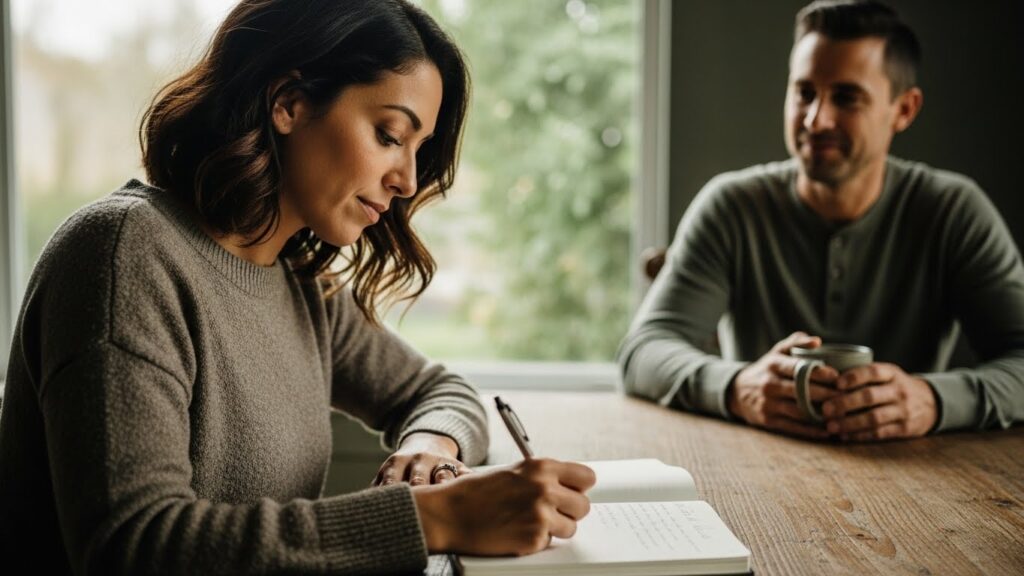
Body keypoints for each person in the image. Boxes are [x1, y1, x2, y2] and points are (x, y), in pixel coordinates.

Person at [0, 1, 595, 574]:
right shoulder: (123, 253)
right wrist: (427, 518)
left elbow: (439, 392)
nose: (408, 180)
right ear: (289, 104)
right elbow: (135, 546)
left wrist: (431, 451)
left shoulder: (299, 282)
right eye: (390, 135)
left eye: (420, 150)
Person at [618, 0, 1024, 442]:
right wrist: (737, 388)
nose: (817, 118)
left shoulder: (954, 211)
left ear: (904, 110)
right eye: (804, 92)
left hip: (921, 485)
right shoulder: (731, 205)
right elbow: (643, 352)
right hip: (751, 478)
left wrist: (933, 399)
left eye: (846, 97)